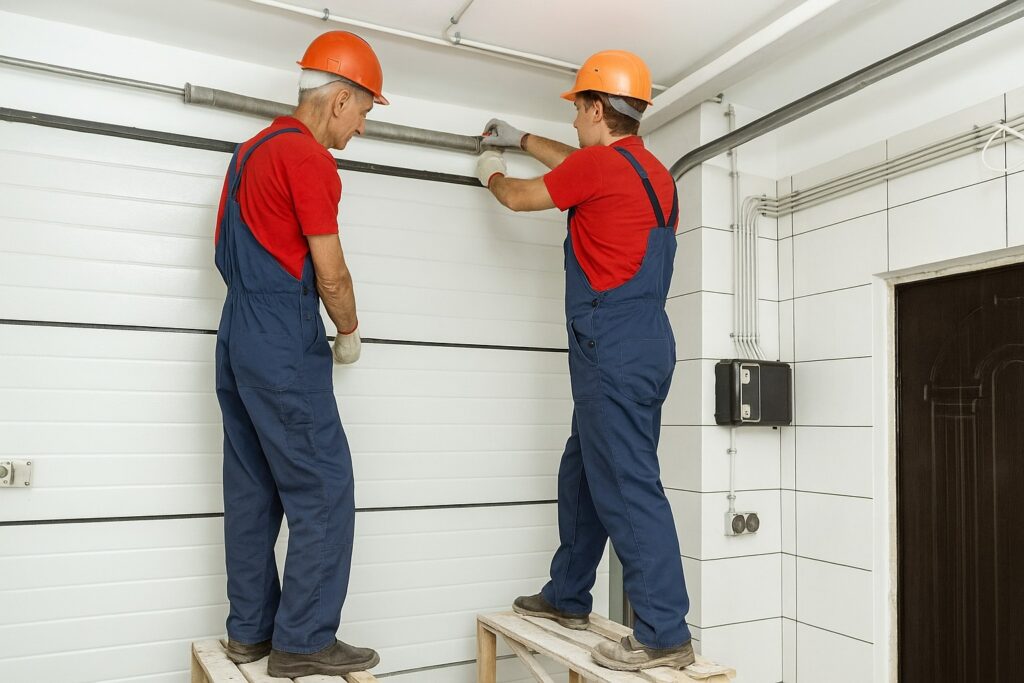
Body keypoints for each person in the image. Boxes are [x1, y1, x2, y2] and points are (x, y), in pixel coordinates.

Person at [475, 49, 694, 671]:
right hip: (645, 340)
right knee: (582, 473)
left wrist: (491, 167)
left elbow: (520, 197)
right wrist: (522, 137)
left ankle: (663, 630)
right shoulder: (651, 172)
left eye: (577, 110)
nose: (574, 121)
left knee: (627, 484)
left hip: (611, 345)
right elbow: (578, 166)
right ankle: (568, 594)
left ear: (598, 109)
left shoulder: (597, 168)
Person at [213, 30, 386, 678]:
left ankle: (250, 632)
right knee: (324, 485)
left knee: (253, 487)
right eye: (364, 113)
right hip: (283, 334)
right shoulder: (309, 160)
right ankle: (304, 638)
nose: (360, 129)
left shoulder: (247, 154)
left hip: (236, 332)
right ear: (339, 99)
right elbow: (331, 273)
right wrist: (348, 332)